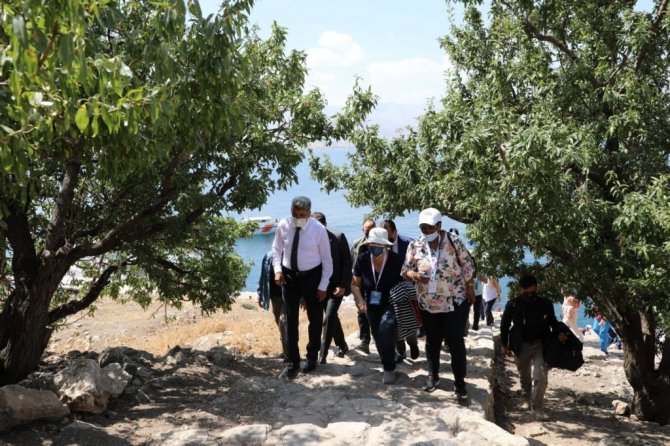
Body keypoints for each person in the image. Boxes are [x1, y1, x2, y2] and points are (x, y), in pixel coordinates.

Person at [401, 208, 476, 399]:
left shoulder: (453, 241)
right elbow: (405, 270)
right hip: (429, 303)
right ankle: (432, 376)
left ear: (439, 225)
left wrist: (470, 287)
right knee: (432, 340)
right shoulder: (415, 245)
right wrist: (415, 276)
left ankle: (459, 382)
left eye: (429, 227)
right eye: (423, 227)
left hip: (455, 300)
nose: (426, 231)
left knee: (455, 340)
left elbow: (467, 264)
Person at [272, 196, 333, 379]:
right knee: (290, 319)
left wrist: (323, 285)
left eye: (302, 214)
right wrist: (277, 270)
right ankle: (293, 361)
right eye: (295, 214)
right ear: (291, 211)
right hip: (289, 276)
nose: (298, 217)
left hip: (312, 277)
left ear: (308, 213)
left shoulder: (318, 229)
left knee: (315, 319)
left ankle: (312, 357)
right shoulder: (284, 225)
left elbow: (327, 260)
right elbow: (276, 249)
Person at [500, 274, 567, 421]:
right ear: (521, 289)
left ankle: (537, 407)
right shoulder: (513, 304)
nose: (529, 295)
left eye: (531, 292)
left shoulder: (545, 304)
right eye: (526, 292)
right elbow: (505, 324)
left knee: (541, 376)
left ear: (536, 288)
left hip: (540, 344)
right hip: (520, 345)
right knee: (524, 375)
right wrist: (504, 344)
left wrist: (560, 333)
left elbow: (552, 321)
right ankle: (526, 399)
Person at [352, 227, 404, 384]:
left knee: (385, 328)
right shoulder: (362, 259)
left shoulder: (395, 260)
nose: (374, 248)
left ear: (386, 246)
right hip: (371, 302)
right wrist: (359, 300)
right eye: (372, 244)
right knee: (377, 335)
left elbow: (403, 283)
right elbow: (355, 284)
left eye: (378, 245)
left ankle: (389, 368)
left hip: (391, 301)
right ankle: (387, 359)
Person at [311, 212, 353, 364]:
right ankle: (342, 344)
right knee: (332, 316)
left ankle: (322, 354)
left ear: (325, 225)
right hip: (320, 288)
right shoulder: (310, 240)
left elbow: (348, 262)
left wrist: (343, 286)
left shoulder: (338, 237)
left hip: (336, 287)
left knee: (328, 316)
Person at [381, 219, 419, 361]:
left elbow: (417, 266)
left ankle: (413, 344)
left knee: (408, 318)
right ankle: (401, 351)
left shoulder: (409, 243)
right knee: (393, 322)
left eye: (388, 234)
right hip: (388, 290)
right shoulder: (380, 245)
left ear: (394, 232)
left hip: (406, 289)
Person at [257, 251, 288, 361]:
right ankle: (286, 351)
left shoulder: (289, 256)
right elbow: (262, 276)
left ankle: (289, 354)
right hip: (274, 296)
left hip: (289, 296)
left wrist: (303, 297)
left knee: (284, 322)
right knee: (280, 323)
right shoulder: (268, 256)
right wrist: (260, 294)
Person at [350, 218, 376, 354]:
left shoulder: (380, 244)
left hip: (375, 286)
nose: (369, 234)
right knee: (361, 311)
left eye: (371, 230)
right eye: (366, 231)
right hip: (359, 284)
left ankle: (378, 337)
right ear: (362, 230)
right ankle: (365, 341)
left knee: (375, 310)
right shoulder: (357, 244)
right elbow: (350, 262)